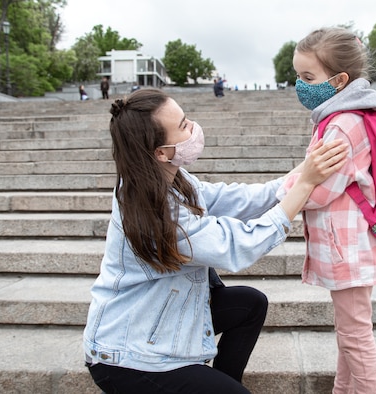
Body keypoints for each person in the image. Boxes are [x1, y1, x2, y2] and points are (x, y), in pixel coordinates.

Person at [83, 87, 348, 394]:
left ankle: (224, 383)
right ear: (160, 152)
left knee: (249, 304)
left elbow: (240, 199)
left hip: (158, 321)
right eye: (183, 126)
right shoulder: (152, 208)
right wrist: (306, 185)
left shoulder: (171, 178)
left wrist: (308, 163)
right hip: (129, 356)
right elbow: (238, 246)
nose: (193, 128)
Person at [276, 27, 376, 393]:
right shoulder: (344, 115)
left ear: (339, 80)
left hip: (348, 250)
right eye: (298, 75)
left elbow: (319, 191)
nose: (300, 85)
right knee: (349, 333)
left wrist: (283, 192)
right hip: (350, 247)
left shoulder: (342, 124)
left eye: (308, 77)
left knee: (356, 337)